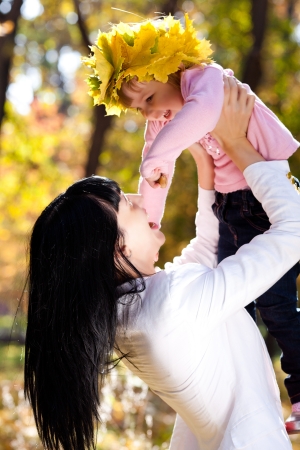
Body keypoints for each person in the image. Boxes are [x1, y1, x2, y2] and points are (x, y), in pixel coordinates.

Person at [24, 78, 300, 450]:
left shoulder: (127, 311)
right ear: (117, 249)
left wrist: (205, 161)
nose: (142, 199)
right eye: (127, 204)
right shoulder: (173, 302)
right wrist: (236, 143)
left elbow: (206, 252)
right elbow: (293, 231)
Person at [82, 14, 300, 425]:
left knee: (278, 307)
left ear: (166, 67)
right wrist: (154, 203)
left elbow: (196, 120)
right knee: (258, 310)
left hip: (256, 197)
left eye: (148, 99)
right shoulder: (166, 304)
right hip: (238, 203)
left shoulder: (203, 81)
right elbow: (153, 165)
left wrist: (164, 172)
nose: (149, 114)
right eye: (139, 108)